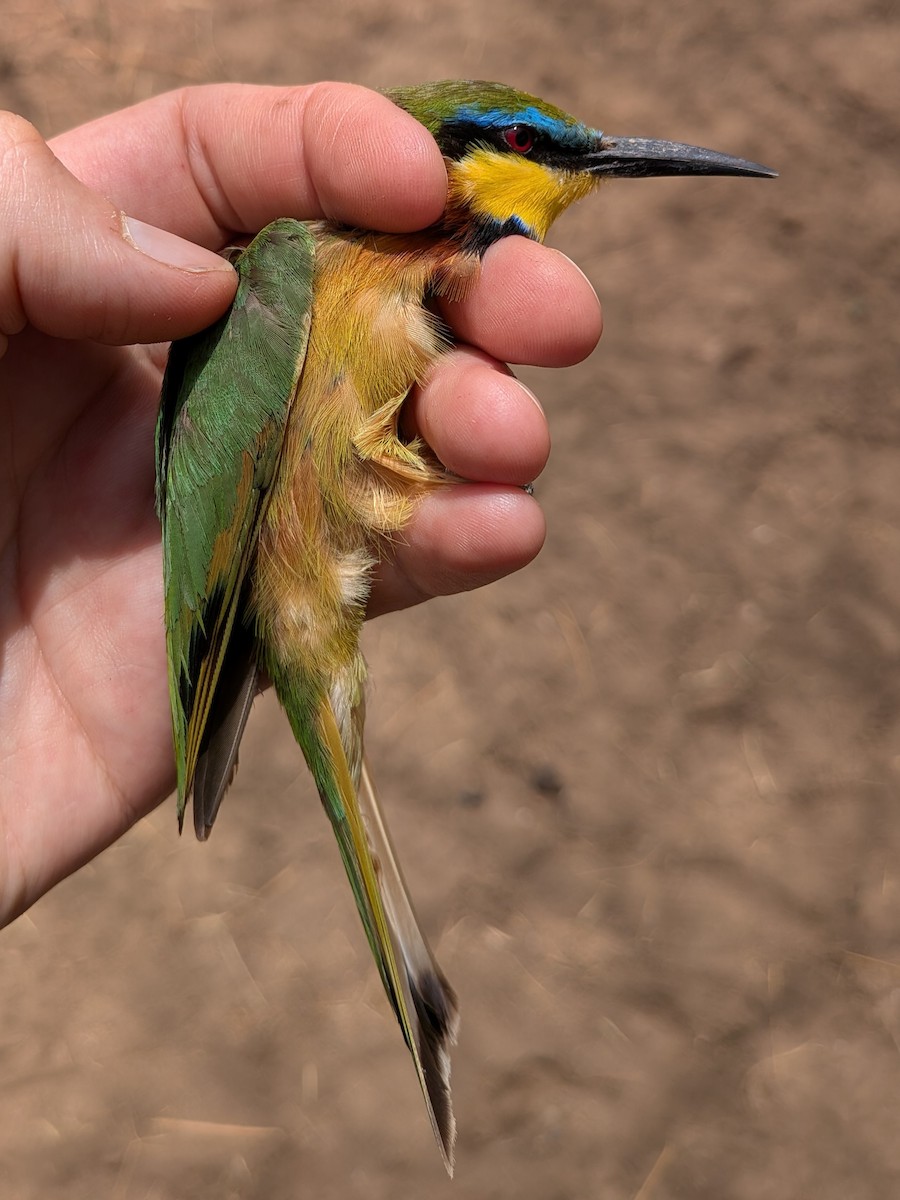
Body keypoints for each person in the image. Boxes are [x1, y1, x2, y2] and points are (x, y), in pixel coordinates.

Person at [0, 82, 602, 927]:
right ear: (453, 153)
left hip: (284, 565)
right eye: (528, 145)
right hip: (274, 578)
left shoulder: (414, 279)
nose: (577, 167)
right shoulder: (288, 264)